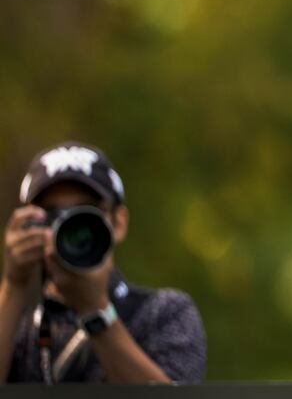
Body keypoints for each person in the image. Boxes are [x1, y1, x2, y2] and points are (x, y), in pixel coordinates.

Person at [0, 142, 206, 383]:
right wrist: (14, 284)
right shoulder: (18, 327)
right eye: (52, 215)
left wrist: (95, 311)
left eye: (84, 213)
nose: (69, 228)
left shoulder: (165, 313)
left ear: (118, 223)